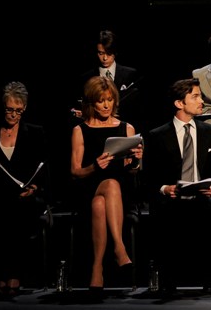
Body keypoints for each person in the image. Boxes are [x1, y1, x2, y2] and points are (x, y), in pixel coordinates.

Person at [141, 78, 211, 295]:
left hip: (203, 195)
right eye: (195, 96)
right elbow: (149, 177)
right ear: (179, 103)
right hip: (172, 197)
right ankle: (168, 281)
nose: (201, 101)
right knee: (164, 208)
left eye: (201, 96)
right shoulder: (157, 135)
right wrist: (165, 188)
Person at [70, 76, 143, 292]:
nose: (106, 105)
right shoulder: (80, 130)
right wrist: (95, 166)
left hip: (121, 192)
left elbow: (132, 169)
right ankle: (119, 247)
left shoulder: (127, 128)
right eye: (101, 101)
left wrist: (136, 160)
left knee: (100, 204)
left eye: (109, 100)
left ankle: (97, 268)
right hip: (89, 186)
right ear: (91, 102)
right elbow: (75, 171)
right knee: (108, 186)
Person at [0, 81, 49, 296]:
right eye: (10, 109)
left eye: (18, 110)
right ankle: (1, 272)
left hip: (26, 196)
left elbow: (44, 167)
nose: (13, 115)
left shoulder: (35, 132)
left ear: (25, 108)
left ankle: (12, 272)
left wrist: (35, 187)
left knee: (18, 211)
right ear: (3, 107)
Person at [71, 29, 141, 127]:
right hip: (96, 129)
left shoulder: (130, 74)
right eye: (101, 53)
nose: (105, 58)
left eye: (109, 53)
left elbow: (137, 107)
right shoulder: (86, 78)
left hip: (124, 128)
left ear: (115, 52)